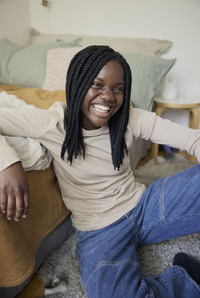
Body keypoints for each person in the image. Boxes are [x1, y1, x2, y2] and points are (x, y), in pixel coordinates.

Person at [0, 45, 200, 297]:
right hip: (99, 230)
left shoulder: (131, 117)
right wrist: (7, 163)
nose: (108, 96)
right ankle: (186, 278)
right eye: (97, 84)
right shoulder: (52, 123)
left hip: (144, 206)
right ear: (77, 83)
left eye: (118, 89)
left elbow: (194, 140)